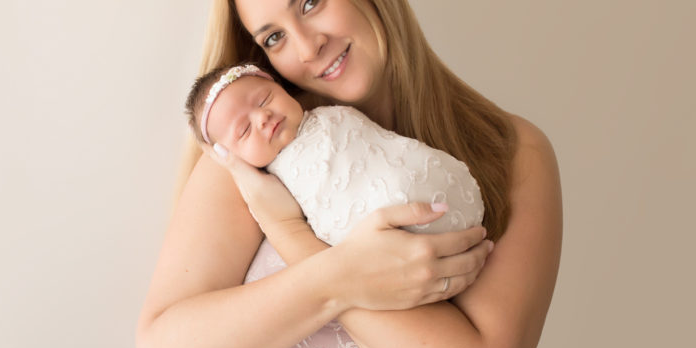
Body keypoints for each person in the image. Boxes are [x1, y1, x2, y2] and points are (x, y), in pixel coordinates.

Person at [137, 0, 562, 348]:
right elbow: (163, 347)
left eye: (311, 1)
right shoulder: (254, 151)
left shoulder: (513, 152)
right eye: (274, 38)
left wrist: (298, 243)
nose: (307, 46)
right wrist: (335, 277)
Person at [184, 62, 484, 246]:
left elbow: (382, 144)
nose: (262, 117)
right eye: (244, 131)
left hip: (422, 181)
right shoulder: (269, 188)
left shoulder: (330, 112)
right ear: (230, 155)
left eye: (264, 99)